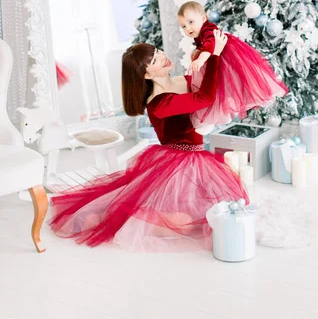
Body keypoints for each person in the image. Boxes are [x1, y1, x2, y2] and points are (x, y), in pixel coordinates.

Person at [49, 29, 248, 252]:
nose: (163, 56)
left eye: (158, 51)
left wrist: (208, 52)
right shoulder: (158, 103)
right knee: (183, 223)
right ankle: (126, 214)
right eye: (154, 59)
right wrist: (215, 56)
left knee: (214, 210)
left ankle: (131, 211)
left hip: (196, 158)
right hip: (176, 164)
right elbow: (205, 98)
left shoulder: (183, 80)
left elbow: (213, 86)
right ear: (145, 75)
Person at [177, 1, 288, 135]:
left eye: (190, 22)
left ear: (203, 18)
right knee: (216, 87)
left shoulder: (208, 29)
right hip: (215, 56)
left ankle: (216, 115)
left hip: (225, 54)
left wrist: (201, 59)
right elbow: (203, 46)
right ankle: (216, 116)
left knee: (230, 83)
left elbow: (209, 44)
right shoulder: (199, 33)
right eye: (183, 26)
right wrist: (198, 52)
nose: (187, 28)